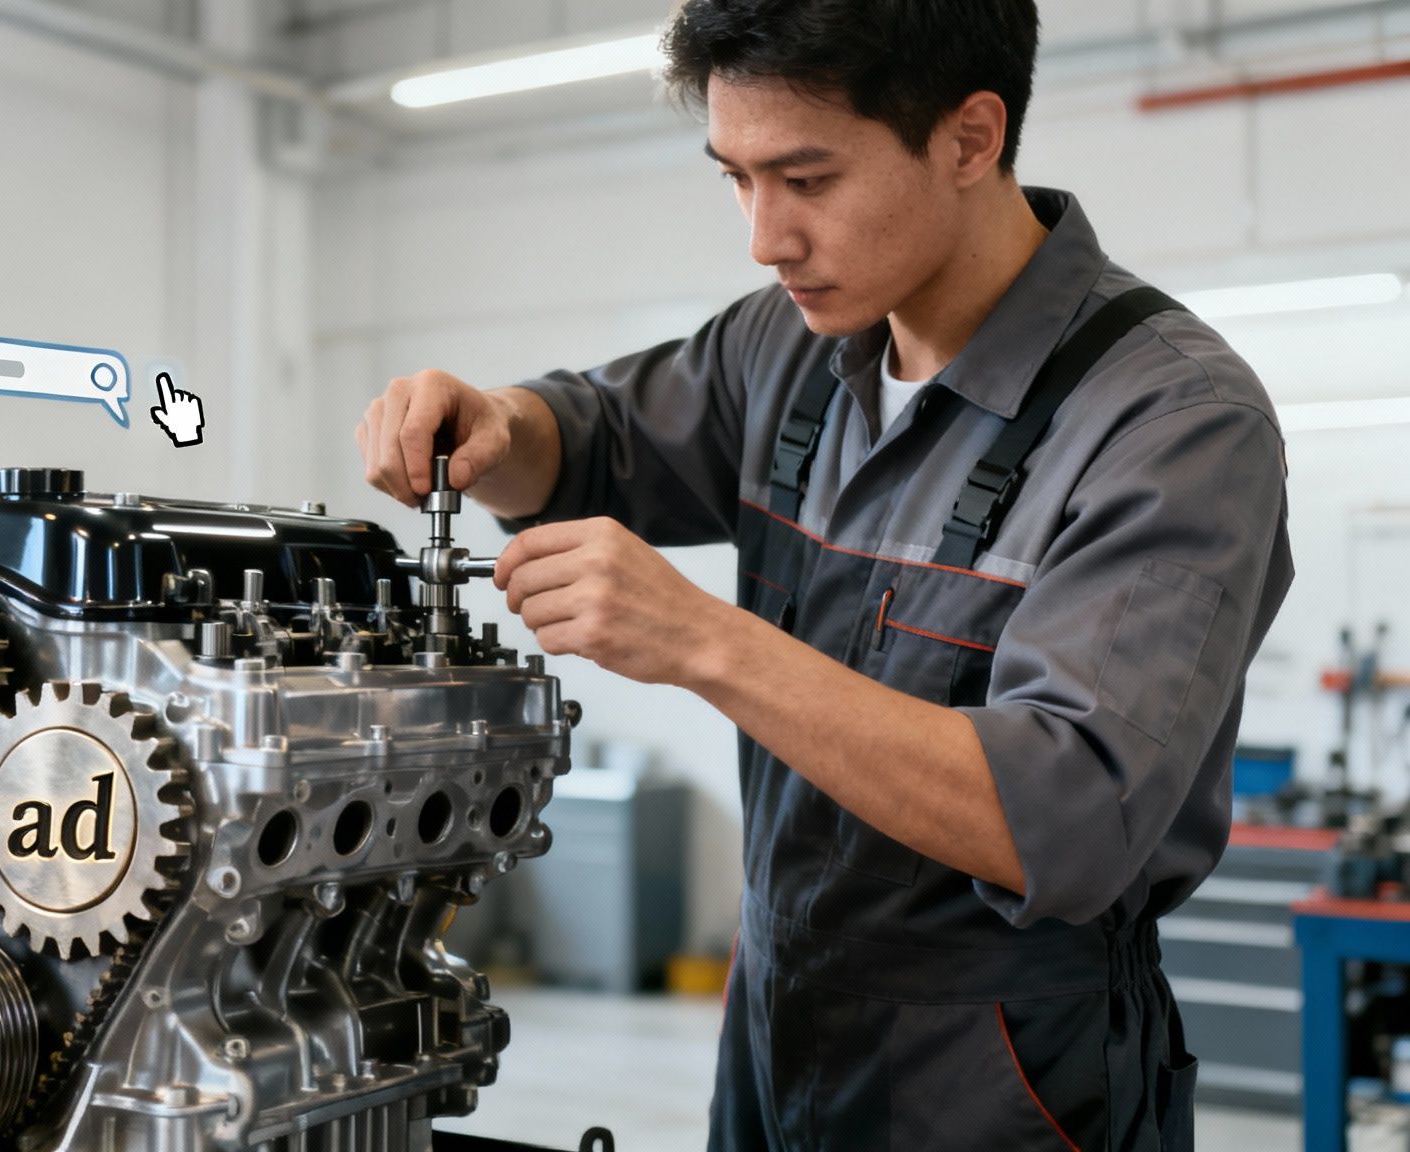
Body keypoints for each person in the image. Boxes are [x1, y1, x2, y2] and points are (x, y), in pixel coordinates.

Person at [353, 1, 1293, 1148]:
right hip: (773, 1025)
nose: (764, 237)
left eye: (806, 180)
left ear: (968, 138)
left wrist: (706, 643)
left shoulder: (1169, 421)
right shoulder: (783, 350)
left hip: (1001, 1072)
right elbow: (589, 437)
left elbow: (1067, 817)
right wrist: (497, 421)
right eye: (736, 179)